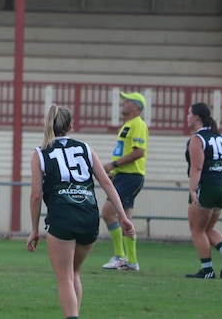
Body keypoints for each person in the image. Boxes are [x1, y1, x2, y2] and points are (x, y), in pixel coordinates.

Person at [27, 104, 135, 319]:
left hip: (62, 217)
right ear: (71, 127)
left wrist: (34, 229)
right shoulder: (85, 148)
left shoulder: (40, 153)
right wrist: (123, 216)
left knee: (65, 278)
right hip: (88, 217)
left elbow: (36, 195)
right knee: (75, 273)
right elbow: (106, 182)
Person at [183, 102, 222, 279]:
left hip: (205, 185)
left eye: (189, 113)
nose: (187, 116)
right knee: (208, 227)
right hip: (220, 184)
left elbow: (197, 168)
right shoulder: (219, 136)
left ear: (197, 117)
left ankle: (207, 270)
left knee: (197, 229)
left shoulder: (197, 139)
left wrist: (192, 190)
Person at [100, 91, 147, 271]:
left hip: (131, 176)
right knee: (125, 218)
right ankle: (131, 261)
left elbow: (139, 152)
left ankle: (120, 256)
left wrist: (112, 165)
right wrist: (116, 170)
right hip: (124, 175)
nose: (123, 103)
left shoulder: (138, 124)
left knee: (108, 213)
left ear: (136, 106)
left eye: (126, 101)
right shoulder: (128, 125)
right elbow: (124, 150)